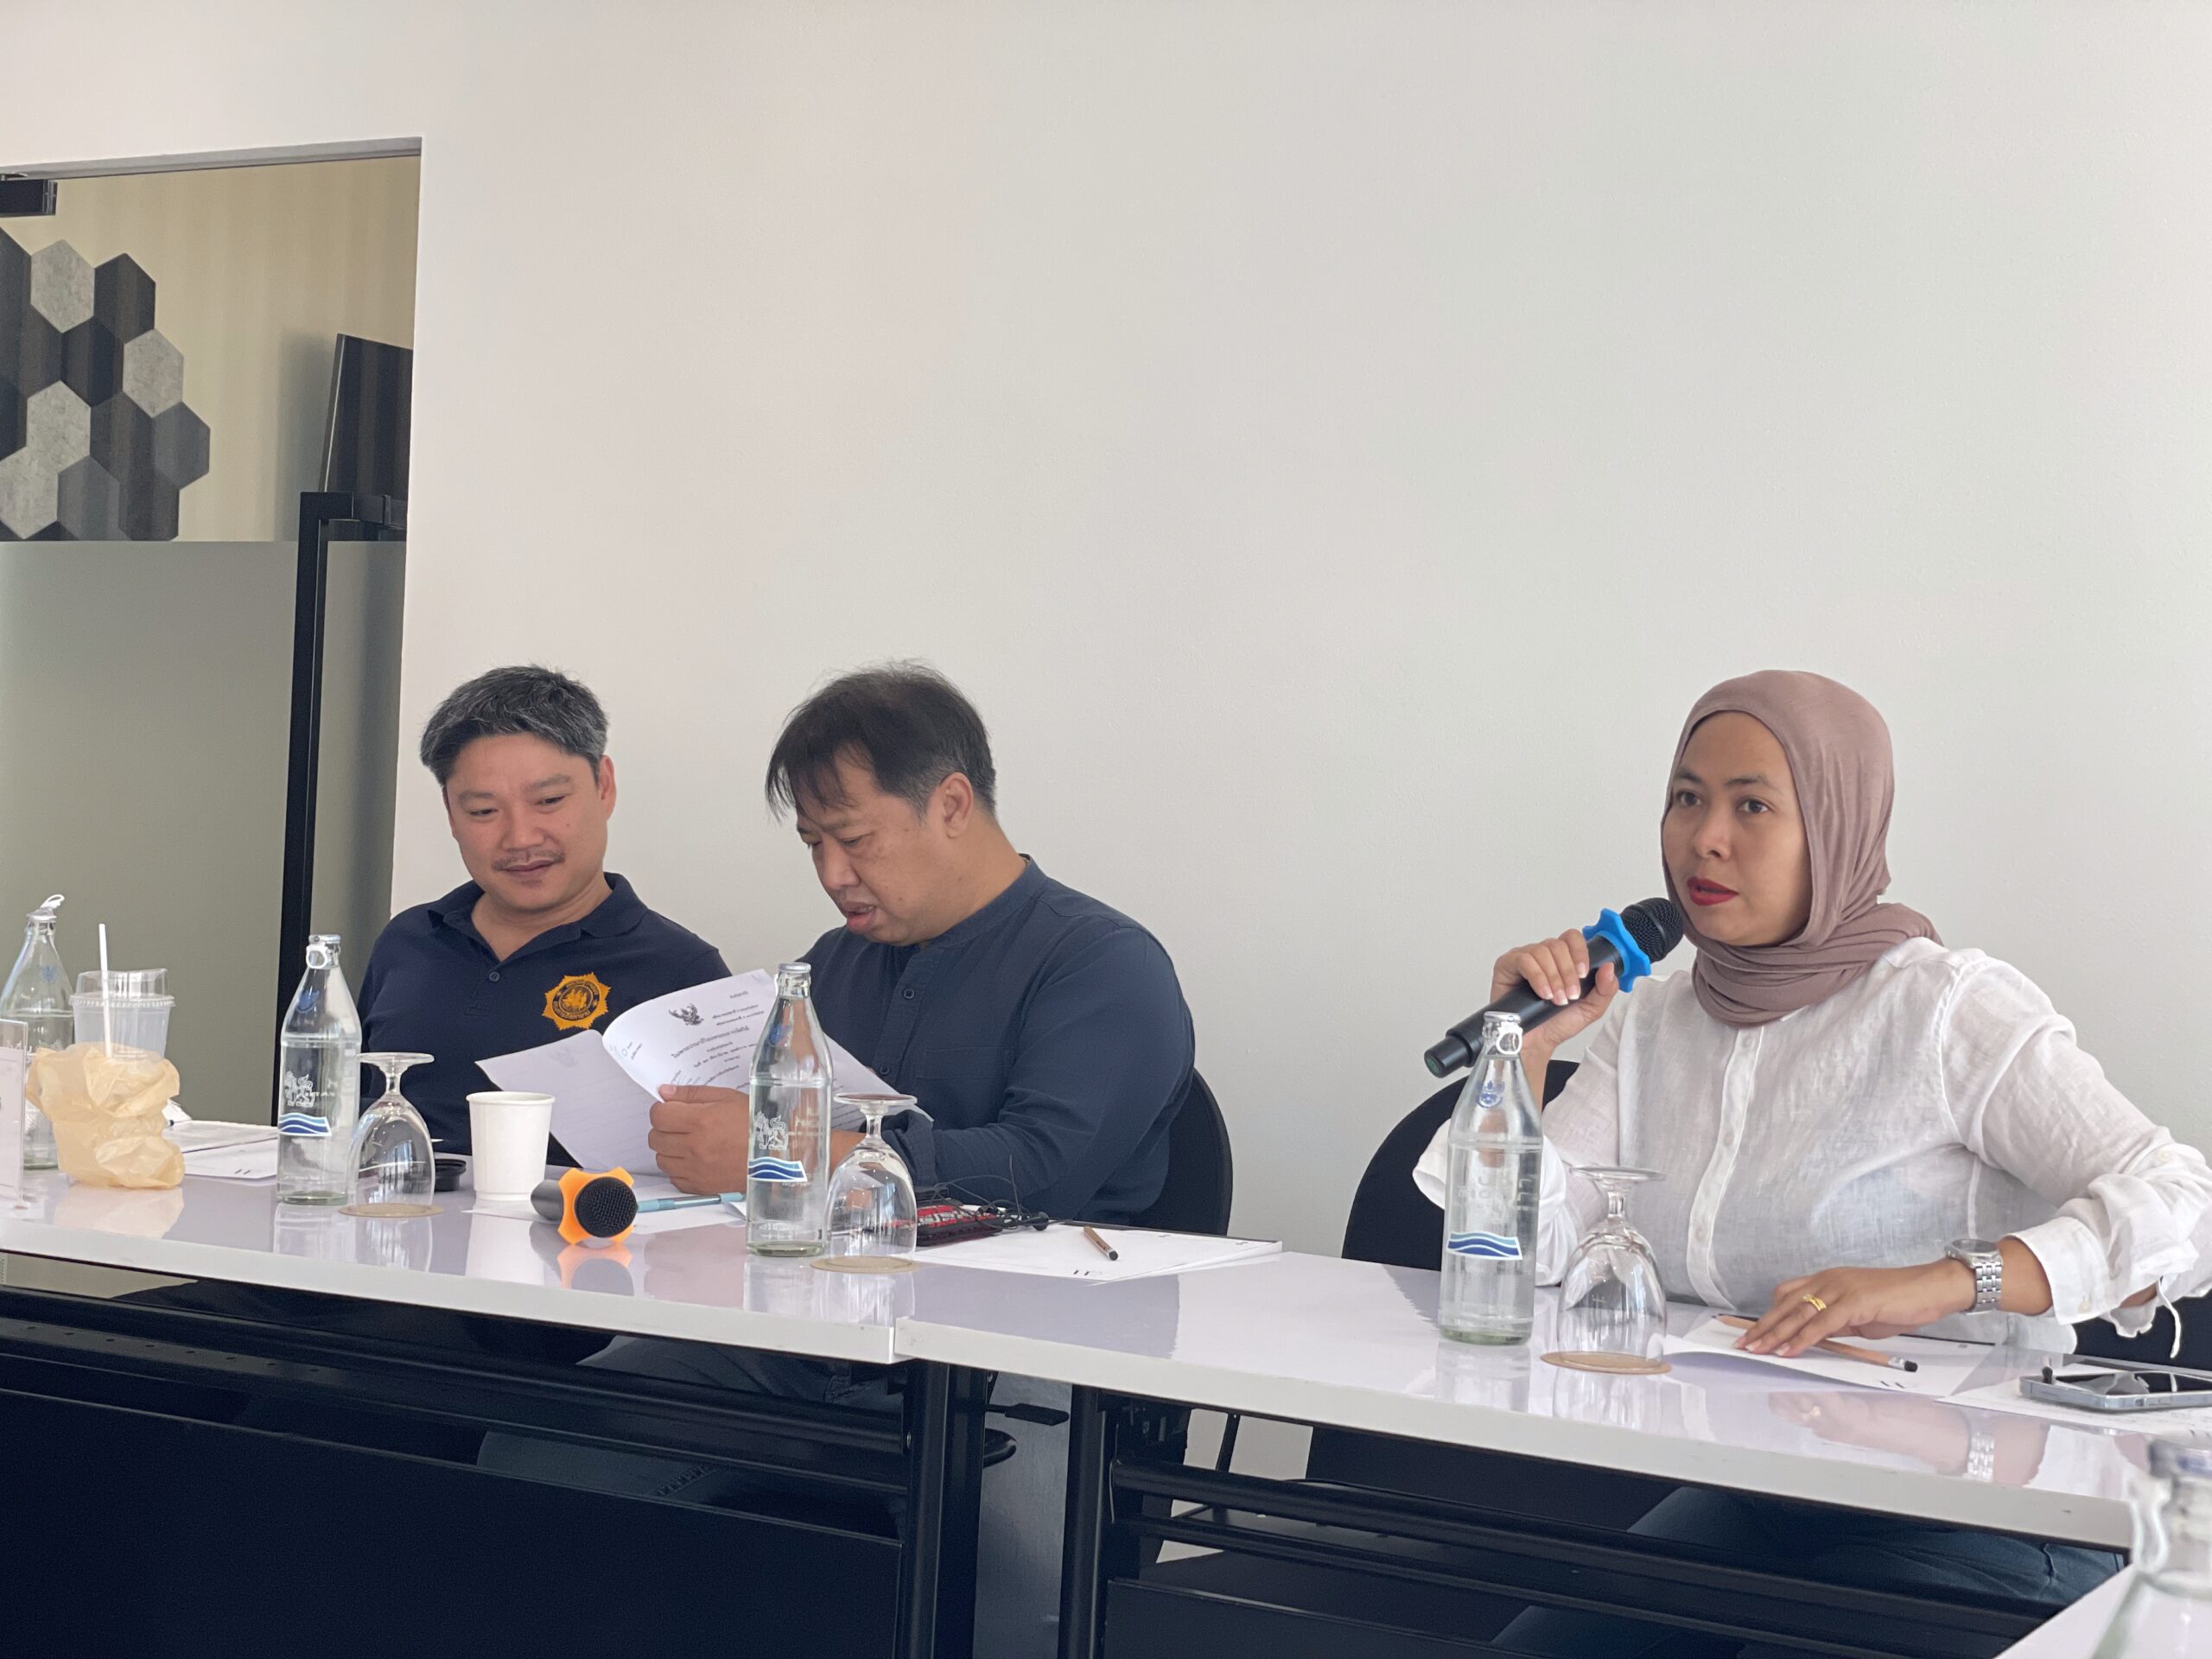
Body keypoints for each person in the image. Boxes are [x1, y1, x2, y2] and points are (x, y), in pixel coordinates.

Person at [1414, 669, 2212, 1655]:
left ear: (1835, 827)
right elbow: (1515, 1257)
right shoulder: (1652, 1022)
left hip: (1978, 1514)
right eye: (1686, 798)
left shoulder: (1944, 1008)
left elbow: (2185, 1202)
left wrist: (1942, 1281)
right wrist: (1523, 1050)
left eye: (1752, 805)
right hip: (1762, 1496)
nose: (1706, 838)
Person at [480, 664, 1195, 1659]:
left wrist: (780, 1148)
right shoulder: (835, 964)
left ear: (952, 804)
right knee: (542, 1453)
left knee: (1016, 1589)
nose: (832, 872)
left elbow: (1039, 1170)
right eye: (814, 842)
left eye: (854, 839)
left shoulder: (1101, 963)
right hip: (813, 1339)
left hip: (1028, 1356)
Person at [357, 664, 728, 1153]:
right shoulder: (408, 942)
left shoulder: (682, 973)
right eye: (483, 811)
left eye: (549, 800)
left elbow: (721, 1168)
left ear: (604, 786)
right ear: (450, 812)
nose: (520, 838)